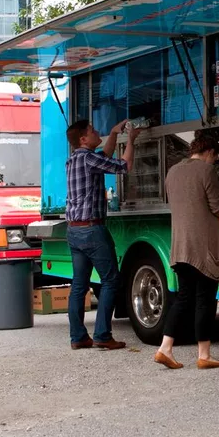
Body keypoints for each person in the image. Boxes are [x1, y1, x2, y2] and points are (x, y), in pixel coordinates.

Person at [155, 131, 219, 370]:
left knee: (183, 298)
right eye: (215, 157)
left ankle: (165, 348)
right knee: (205, 300)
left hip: (181, 246)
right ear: (209, 152)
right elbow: (216, 207)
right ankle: (204, 355)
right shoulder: (206, 171)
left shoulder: (173, 171)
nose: (214, 162)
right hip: (203, 247)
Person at [66, 119, 140, 350]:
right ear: (83, 139)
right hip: (92, 229)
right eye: (93, 130)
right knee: (110, 280)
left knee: (79, 285)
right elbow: (124, 166)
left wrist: (113, 133)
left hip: (74, 230)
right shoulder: (88, 158)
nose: (97, 132)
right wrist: (131, 140)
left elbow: (104, 156)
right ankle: (102, 335)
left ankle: (78, 337)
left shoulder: (75, 159)